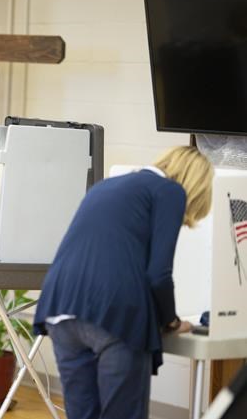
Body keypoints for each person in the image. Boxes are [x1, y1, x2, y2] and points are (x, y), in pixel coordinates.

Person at [33, 146, 214, 419]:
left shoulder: (106, 186)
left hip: (60, 307)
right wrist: (171, 321)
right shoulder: (170, 190)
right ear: (195, 184)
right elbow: (158, 275)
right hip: (115, 311)